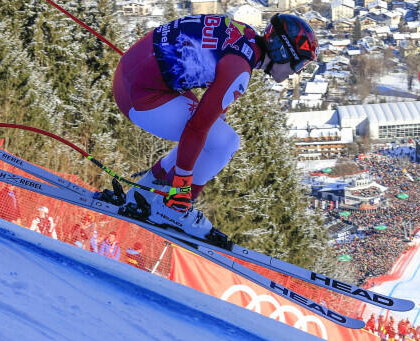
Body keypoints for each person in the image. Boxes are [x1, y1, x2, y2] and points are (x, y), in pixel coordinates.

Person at [112, 13, 318, 237]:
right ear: (281, 51)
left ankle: (144, 193)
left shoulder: (245, 36)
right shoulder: (240, 68)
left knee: (211, 132)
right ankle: (176, 208)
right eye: (299, 63)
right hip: (141, 98)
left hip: (133, 77)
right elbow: (197, 128)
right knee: (225, 142)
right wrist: (182, 190)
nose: (297, 72)